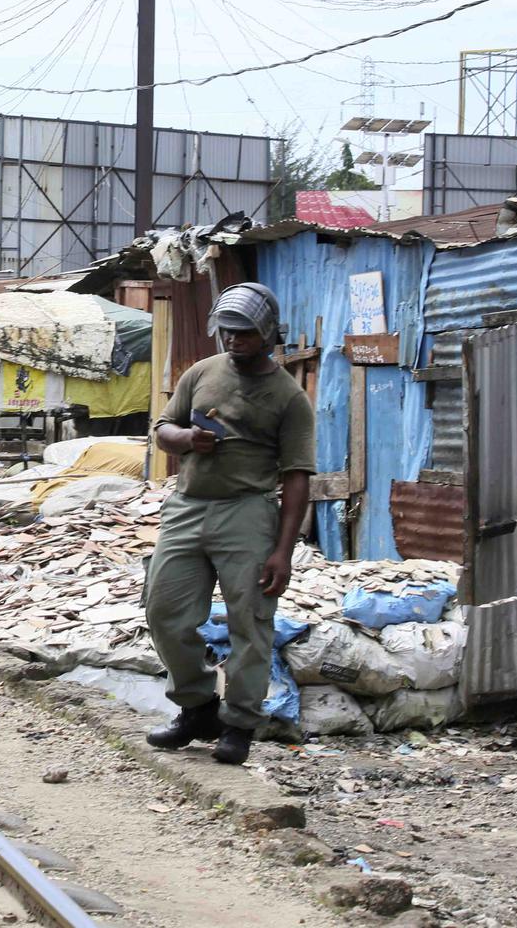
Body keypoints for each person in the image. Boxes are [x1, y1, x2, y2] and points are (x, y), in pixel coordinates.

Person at [144, 282, 314, 765]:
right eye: (226, 332)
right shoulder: (201, 372)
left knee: (251, 622)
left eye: (243, 334)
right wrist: (185, 439)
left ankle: (239, 723)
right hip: (187, 507)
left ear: (267, 335)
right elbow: (163, 429)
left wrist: (283, 550)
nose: (232, 341)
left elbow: (297, 478)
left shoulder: (288, 397)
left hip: (248, 512)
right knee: (164, 610)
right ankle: (197, 708)